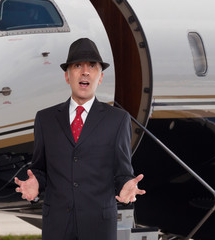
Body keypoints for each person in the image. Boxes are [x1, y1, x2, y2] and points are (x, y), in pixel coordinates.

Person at [15, 38, 146, 240]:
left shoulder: (118, 119)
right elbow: (40, 169)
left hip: (98, 226)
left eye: (92, 66)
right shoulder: (45, 119)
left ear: (100, 77)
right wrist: (35, 185)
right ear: (67, 76)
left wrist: (126, 185)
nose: (85, 71)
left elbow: (122, 171)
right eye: (77, 66)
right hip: (57, 226)